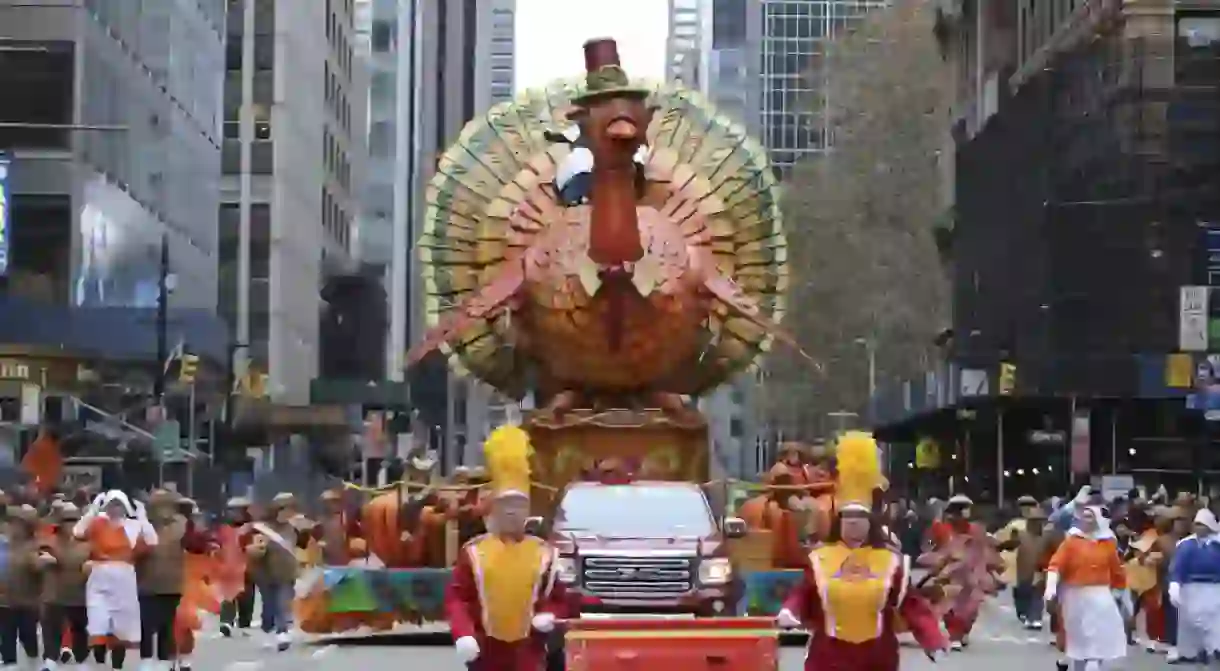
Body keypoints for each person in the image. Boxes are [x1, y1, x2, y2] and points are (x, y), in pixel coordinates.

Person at [775, 431, 947, 670]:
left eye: (860, 518)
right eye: (848, 518)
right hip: (829, 657)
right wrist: (789, 611)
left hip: (877, 657)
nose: (854, 523)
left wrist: (932, 639)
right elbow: (803, 593)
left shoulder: (889, 562)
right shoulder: (821, 559)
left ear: (870, 523)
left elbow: (912, 605)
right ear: (839, 522)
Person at [444, 424, 571, 670]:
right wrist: (464, 634)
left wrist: (551, 613)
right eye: (506, 506)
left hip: (530, 650)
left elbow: (560, 596)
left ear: (528, 512)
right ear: (494, 511)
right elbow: (458, 597)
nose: (512, 513)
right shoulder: (475, 553)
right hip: (485, 651)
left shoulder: (545, 553)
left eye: (519, 506)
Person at [73, 491, 159, 670]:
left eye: (118, 505)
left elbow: (152, 541)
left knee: (122, 624)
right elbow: (78, 531)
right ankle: (98, 656)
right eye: (111, 504)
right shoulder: (98, 523)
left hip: (124, 579)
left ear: (124, 507)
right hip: (100, 576)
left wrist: (143, 518)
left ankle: (117, 664)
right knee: (98, 620)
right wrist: (92, 511)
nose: (114, 508)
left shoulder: (132, 526)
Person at [1044, 504, 1128, 671]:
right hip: (1075, 594)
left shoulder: (1108, 543)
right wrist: (1051, 585)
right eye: (1084, 516)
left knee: (1098, 631)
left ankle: (1094, 662)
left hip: (1101, 594)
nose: (1086, 520)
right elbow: (1056, 563)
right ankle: (1077, 662)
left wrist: (1120, 590)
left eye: (1090, 516)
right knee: (1079, 634)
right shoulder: (1072, 541)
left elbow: (1116, 568)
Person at [135, 490, 211, 671]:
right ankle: (146, 659)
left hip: (172, 583)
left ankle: (164, 660)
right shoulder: (141, 525)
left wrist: (195, 525)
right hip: (145, 582)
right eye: (158, 506)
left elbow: (197, 546)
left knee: (167, 625)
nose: (163, 510)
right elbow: (134, 550)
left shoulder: (182, 525)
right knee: (145, 624)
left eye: (167, 506)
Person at [246, 493, 310, 652]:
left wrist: (306, 531)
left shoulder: (293, 528)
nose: (289, 513)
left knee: (284, 604)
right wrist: (259, 548)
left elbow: (302, 545)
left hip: (286, 573)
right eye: (286, 509)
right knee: (269, 607)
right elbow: (254, 552)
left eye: (291, 509)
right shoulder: (262, 529)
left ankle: (282, 632)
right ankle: (267, 629)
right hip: (265, 575)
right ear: (277, 510)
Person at [40, 502, 91, 670]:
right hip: (55, 593)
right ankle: (50, 660)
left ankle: (82, 661)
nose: (70, 524)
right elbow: (41, 555)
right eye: (67, 521)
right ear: (60, 523)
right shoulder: (51, 541)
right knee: (51, 628)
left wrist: (90, 565)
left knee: (80, 630)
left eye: (74, 520)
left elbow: (86, 561)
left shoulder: (87, 544)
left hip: (79, 594)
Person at [1166, 508, 1220, 664]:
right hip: (1191, 588)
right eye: (1196, 524)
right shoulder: (1186, 545)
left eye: (1202, 524)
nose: (1199, 528)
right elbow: (1178, 566)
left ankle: (1212, 650)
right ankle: (1194, 651)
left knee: (1213, 621)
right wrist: (1175, 585)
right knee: (1193, 620)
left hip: (1214, 589)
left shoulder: (1217, 544)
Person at [997, 497, 1053, 629]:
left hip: (1040, 569)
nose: (1037, 524)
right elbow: (1009, 543)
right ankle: (1026, 614)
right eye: (1034, 521)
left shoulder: (1047, 535)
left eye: (1040, 521)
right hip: (1022, 568)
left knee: (1037, 593)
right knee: (1023, 591)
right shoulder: (1020, 532)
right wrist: (999, 548)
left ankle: (1035, 617)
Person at [2, 505, 44, 668]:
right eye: (11, 523)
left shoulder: (33, 546)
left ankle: (33, 664)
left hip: (27, 602)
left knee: (28, 637)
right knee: (7, 638)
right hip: (4, 602)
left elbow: (38, 565)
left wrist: (39, 562)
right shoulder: (3, 545)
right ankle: (9, 665)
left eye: (18, 524)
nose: (13, 527)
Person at [217, 497, 254, 638]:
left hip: (247, 569)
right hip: (229, 568)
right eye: (232, 511)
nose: (234, 514)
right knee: (228, 597)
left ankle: (245, 623)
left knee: (246, 598)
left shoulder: (251, 528)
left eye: (238, 511)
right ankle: (226, 622)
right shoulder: (223, 529)